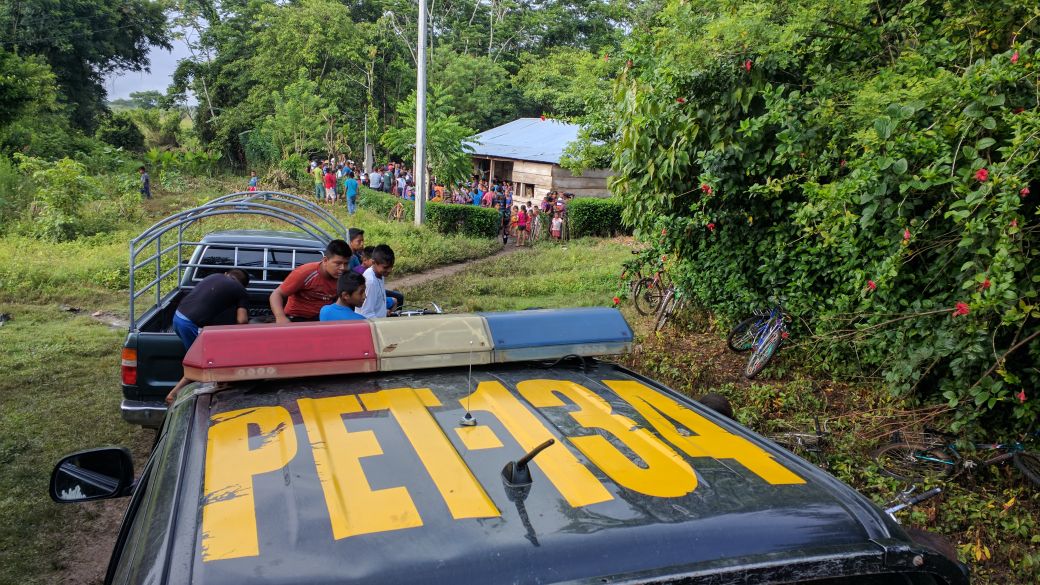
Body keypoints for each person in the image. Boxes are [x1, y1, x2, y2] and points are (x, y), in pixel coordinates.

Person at [165, 269, 251, 404]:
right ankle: (173, 394)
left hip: (177, 317)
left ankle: (217, 388)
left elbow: (207, 301)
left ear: (227, 274)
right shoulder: (241, 291)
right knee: (204, 362)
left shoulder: (214, 276)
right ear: (243, 285)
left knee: (201, 360)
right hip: (190, 324)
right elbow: (242, 320)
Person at [269, 239, 351, 323]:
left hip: (322, 319)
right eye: (338, 263)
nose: (343, 268)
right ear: (325, 260)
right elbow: (276, 294)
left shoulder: (344, 276)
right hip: (296, 318)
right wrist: (280, 317)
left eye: (346, 264)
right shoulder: (305, 272)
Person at [358, 244, 397, 318]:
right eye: (385, 267)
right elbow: (366, 313)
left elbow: (376, 303)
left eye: (391, 266)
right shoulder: (370, 282)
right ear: (373, 263)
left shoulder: (380, 274)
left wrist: (384, 311)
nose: (389, 270)